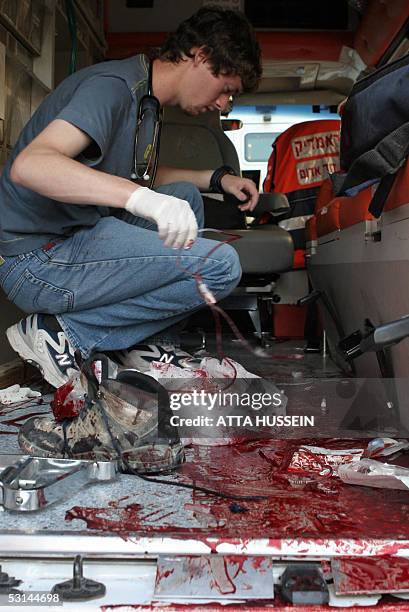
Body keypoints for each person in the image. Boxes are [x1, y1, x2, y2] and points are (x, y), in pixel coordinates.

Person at [0, 7, 262, 468]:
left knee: (184, 197)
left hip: (74, 237)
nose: (224, 105)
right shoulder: (112, 88)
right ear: (200, 56)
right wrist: (143, 201)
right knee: (220, 264)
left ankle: (144, 348)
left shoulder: (146, 101)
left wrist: (215, 177)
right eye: (227, 90)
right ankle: (64, 334)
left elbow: (140, 173)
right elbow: (32, 165)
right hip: (36, 258)